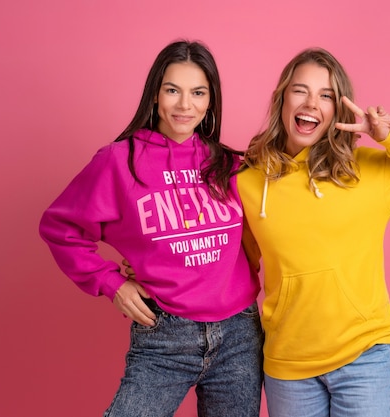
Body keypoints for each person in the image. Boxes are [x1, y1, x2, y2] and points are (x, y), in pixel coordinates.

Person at [236, 48, 390, 417]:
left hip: (363, 358)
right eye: (300, 90)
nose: (311, 103)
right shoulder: (249, 181)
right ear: (282, 98)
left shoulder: (365, 171)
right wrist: (147, 271)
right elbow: (236, 264)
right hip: (287, 365)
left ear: (338, 110)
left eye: (326, 96)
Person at [39, 40, 263, 417]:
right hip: (164, 335)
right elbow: (61, 227)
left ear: (211, 101)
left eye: (197, 93)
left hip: (239, 336)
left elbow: (264, 233)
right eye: (172, 90)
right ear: (155, 94)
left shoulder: (229, 164)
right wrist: (113, 283)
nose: (184, 105)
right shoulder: (119, 161)